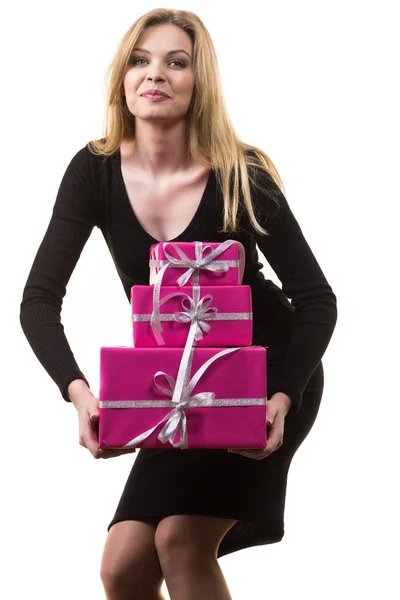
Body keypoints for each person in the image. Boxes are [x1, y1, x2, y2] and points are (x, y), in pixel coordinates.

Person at [19, 8, 338, 600]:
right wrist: (80, 392)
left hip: (265, 376)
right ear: (122, 77)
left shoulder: (243, 172)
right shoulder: (94, 169)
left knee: (182, 541)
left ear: (200, 81)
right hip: (176, 387)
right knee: (122, 567)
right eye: (139, 61)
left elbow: (317, 300)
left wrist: (281, 396)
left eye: (176, 62)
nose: (154, 74)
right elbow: (38, 300)